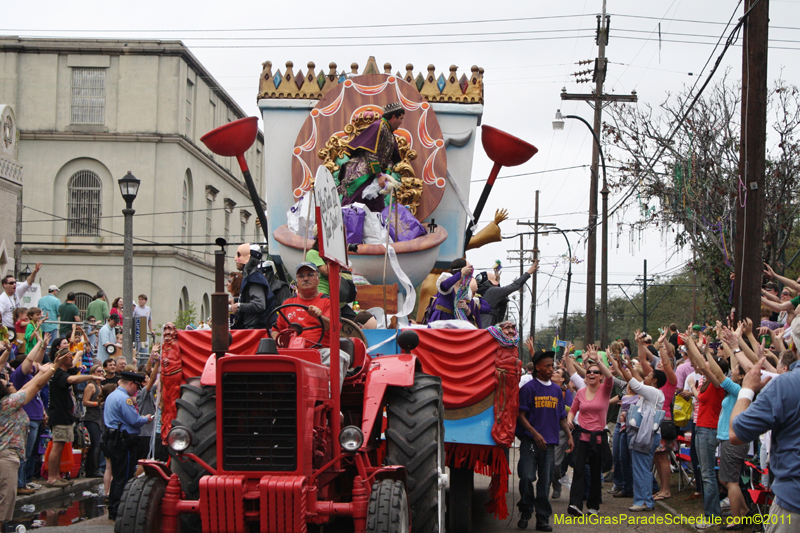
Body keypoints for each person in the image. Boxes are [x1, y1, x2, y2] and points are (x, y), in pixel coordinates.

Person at [0, 349, 70, 523]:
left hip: (7, 457)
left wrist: (52, 367)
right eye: (7, 383)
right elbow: (35, 386)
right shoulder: (8, 404)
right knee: (3, 510)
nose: (10, 383)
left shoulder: (9, 401)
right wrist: (54, 367)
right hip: (5, 458)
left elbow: (31, 385)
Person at [515, 349, 574, 531]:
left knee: (545, 482)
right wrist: (535, 433)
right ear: (538, 367)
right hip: (530, 443)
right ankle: (525, 510)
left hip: (549, 444)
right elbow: (521, 416)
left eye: (552, 366)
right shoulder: (528, 389)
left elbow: (561, 417)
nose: (551, 369)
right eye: (547, 366)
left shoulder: (556, 390)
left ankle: (542, 518)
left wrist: (569, 435)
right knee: (526, 477)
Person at [271, 262, 349, 387]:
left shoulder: (328, 302)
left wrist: (319, 317)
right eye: (301, 276)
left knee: (336, 356)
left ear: (318, 280)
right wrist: (279, 342)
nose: (306, 278)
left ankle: (330, 398)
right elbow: (275, 329)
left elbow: (333, 327)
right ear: (296, 281)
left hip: (320, 352)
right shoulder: (288, 303)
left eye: (310, 274)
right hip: (291, 353)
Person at [609, 351, 667, 513]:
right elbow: (638, 381)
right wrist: (626, 366)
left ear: (654, 381)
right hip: (645, 434)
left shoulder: (653, 392)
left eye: (649, 376)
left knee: (641, 468)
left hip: (645, 435)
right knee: (641, 466)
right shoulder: (653, 392)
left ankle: (644, 501)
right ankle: (643, 499)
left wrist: (624, 367)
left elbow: (635, 384)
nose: (646, 377)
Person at [566, 345, 614, 517]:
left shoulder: (605, 390)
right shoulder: (580, 392)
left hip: (598, 438)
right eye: (589, 372)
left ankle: (593, 506)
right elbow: (573, 409)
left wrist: (598, 361)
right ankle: (575, 505)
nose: (592, 374)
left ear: (600, 376)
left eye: (595, 372)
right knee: (578, 470)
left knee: (595, 473)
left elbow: (610, 376)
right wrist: (570, 420)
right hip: (581, 436)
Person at [45, 347, 103, 488]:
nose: (73, 359)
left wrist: (78, 353)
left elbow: (73, 369)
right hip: (59, 416)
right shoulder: (59, 374)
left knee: (62, 446)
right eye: (69, 357)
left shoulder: (65, 371)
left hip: (66, 416)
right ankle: (52, 477)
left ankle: (58, 475)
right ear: (62, 359)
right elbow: (72, 378)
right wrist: (91, 376)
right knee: (57, 446)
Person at [102, 371, 154, 521]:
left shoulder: (112, 395)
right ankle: (119, 510)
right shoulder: (125, 399)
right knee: (124, 478)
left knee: (117, 476)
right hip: (123, 441)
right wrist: (146, 419)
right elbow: (134, 420)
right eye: (136, 387)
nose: (137, 391)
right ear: (131, 384)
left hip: (113, 439)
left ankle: (113, 508)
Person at [339, 102, 404, 213]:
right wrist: (379, 175)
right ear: (393, 117)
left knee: (378, 212)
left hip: (375, 181)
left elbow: (391, 159)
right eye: (401, 118)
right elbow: (370, 153)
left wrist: (386, 175)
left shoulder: (391, 135)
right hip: (362, 176)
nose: (401, 123)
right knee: (351, 210)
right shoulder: (379, 126)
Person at [9, 335, 49, 496]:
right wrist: (38, 342)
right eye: (30, 364)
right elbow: (30, 361)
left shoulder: (31, 377)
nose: (34, 365)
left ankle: (26, 480)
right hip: (29, 420)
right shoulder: (18, 376)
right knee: (24, 453)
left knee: (32, 453)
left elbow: (36, 362)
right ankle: (20, 483)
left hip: (37, 419)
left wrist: (44, 347)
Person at [426, 258, 489, 327]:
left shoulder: (465, 289)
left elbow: (476, 309)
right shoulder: (447, 277)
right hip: (441, 319)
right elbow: (444, 286)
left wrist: (466, 308)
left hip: (456, 322)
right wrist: (461, 274)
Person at [477, 261, 539, 328]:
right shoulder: (492, 291)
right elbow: (514, 286)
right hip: (485, 331)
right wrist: (528, 272)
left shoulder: (477, 293)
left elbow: (497, 297)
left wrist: (497, 282)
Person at [231, 243, 274, 330]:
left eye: (239, 255)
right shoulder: (252, 277)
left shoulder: (254, 279)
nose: (236, 259)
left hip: (255, 329)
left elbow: (259, 305)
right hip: (253, 327)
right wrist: (235, 300)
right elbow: (250, 299)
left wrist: (239, 306)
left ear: (248, 259)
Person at [0, 263, 41, 332]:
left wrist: (34, 272)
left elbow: (28, 283)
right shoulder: (2, 299)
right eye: (11, 283)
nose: (14, 284)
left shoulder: (17, 292)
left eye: (15, 282)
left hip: (18, 328)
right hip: (8, 330)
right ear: (5, 285)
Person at [82, 364, 105, 477]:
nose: (101, 373)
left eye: (102, 371)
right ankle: (93, 469)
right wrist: (97, 403)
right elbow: (85, 402)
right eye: (99, 371)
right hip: (91, 418)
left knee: (98, 444)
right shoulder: (91, 386)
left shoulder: (100, 386)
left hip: (99, 418)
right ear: (93, 374)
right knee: (95, 444)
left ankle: (93, 469)